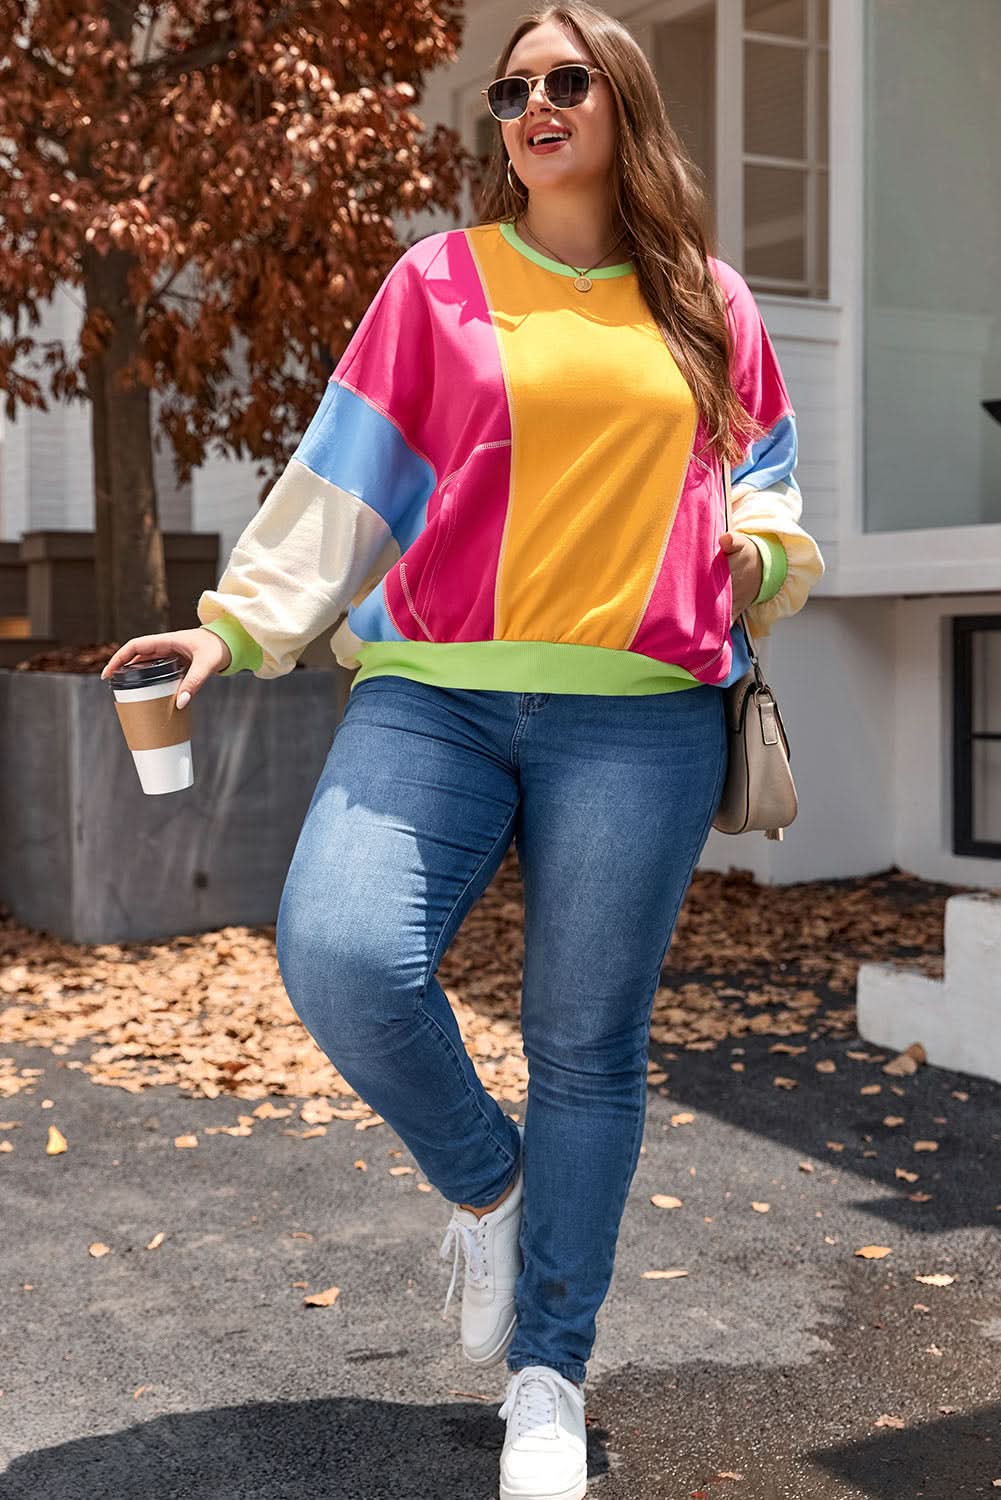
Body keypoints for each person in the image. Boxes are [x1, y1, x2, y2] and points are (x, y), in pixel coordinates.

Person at [102, 4, 824, 1495]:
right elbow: (341, 487)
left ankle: (548, 1374)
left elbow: (765, 488)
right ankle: (496, 1193)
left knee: (583, 1050)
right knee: (343, 952)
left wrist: (750, 563)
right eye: (510, 89)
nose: (532, 106)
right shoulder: (436, 285)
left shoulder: (705, 301)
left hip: (641, 716)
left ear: (622, 103)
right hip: (431, 691)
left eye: (565, 81)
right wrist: (231, 632)